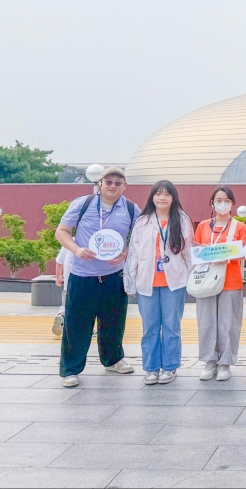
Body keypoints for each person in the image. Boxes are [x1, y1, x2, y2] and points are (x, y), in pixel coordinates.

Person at [55, 166, 140, 388]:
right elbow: (61, 231)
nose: (112, 186)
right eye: (108, 182)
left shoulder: (131, 209)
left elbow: (141, 237)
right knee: (76, 324)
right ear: (100, 184)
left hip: (114, 275)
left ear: (125, 186)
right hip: (82, 274)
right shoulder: (82, 204)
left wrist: (126, 252)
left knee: (114, 321)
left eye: (118, 183)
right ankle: (70, 369)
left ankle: (113, 360)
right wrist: (76, 250)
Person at [125, 181, 193, 385]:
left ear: (173, 198)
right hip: (147, 281)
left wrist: (192, 278)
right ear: (152, 197)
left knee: (172, 326)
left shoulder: (182, 219)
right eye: (158, 194)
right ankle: (151, 368)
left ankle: (170, 367)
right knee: (150, 327)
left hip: (174, 281)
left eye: (167, 194)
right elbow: (133, 253)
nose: (162, 198)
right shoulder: (143, 221)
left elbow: (189, 252)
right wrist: (130, 282)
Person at [193, 187, 246, 382]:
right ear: (212, 203)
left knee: (228, 323)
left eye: (226, 200)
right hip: (206, 279)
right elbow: (196, 252)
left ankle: (225, 363)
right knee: (206, 321)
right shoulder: (203, 226)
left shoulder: (239, 227)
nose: (222, 204)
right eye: (218, 200)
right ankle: (210, 361)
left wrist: (227, 255)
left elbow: (245, 252)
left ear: (232, 203)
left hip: (230, 280)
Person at [52, 246, 72, 337]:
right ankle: (87, 330)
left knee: (65, 306)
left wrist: (58, 277)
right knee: (85, 309)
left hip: (67, 286)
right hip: (82, 284)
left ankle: (61, 316)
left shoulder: (67, 244)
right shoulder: (86, 242)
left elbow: (59, 262)